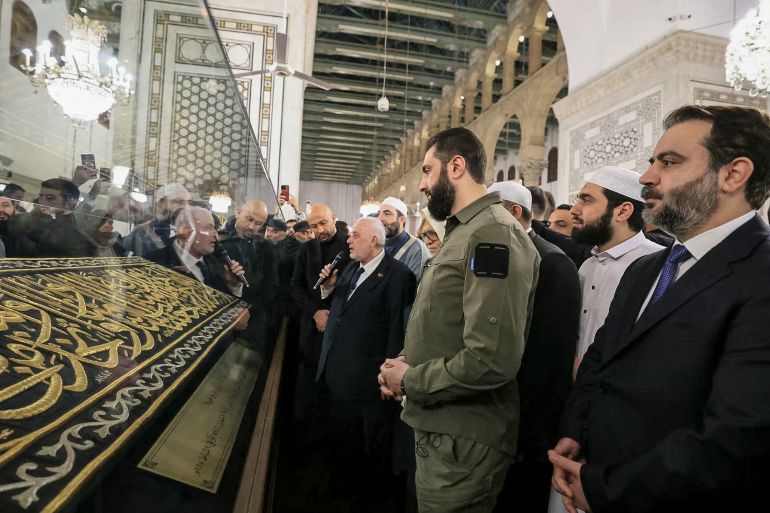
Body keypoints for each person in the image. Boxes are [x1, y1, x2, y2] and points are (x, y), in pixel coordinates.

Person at [549, 105, 770, 513]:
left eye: (668, 162)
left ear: (733, 174)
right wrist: (574, 430)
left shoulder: (760, 274)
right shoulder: (646, 268)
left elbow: (737, 436)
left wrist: (606, 487)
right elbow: (603, 357)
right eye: (652, 161)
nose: (648, 177)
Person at [378, 127, 539, 513]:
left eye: (427, 171)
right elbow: (444, 320)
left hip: (463, 439)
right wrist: (403, 362)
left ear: (456, 166)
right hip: (443, 427)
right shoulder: (466, 230)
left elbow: (491, 359)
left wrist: (412, 379)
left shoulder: (492, 234)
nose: (421, 185)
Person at [488, 181, 580, 513]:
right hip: (491, 417)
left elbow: (548, 360)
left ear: (514, 213)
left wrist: (529, 432)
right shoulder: (493, 253)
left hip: (525, 427)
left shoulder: (552, 263)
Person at [315, 217, 416, 498]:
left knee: (370, 462)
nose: (348, 240)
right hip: (338, 379)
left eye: (355, 235)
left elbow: (398, 330)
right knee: (341, 453)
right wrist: (328, 287)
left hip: (369, 387)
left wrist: (387, 375)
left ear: (373, 240)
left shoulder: (398, 276)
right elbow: (338, 314)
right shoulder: (349, 269)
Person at [570, 166, 663, 377]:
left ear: (623, 211)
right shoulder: (587, 266)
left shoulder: (659, 265)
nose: (574, 210)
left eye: (586, 200)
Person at [290, 203, 351, 427]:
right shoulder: (306, 250)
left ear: (334, 217)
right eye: (313, 226)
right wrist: (315, 312)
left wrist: (331, 313)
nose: (319, 231)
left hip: (342, 333)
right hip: (311, 332)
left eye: (323, 223)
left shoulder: (351, 247)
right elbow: (295, 288)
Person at [146, 206, 246, 298]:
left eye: (215, 228)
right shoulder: (153, 263)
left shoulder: (217, 262)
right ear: (187, 231)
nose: (216, 234)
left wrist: (232, 284)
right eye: (208, 227)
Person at [218, 200, 277, 351]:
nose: (252, 227)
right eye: (249, 219)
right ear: (238, 212)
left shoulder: (266, 247)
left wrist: (249, 310)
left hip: (255, 318)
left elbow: (270, 286)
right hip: (221, 317)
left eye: (258, 223)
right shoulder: (218, 241)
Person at [9, 178, 96, 257]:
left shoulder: (78, 227)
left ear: (69, 200)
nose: (42, 201)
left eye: (50, 198)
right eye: (41, 196)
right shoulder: (42, 219)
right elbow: (15, 227)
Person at [122, 183, 191, 256]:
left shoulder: (193, 232)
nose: (186, 207)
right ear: (160, 203)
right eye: (179, 201)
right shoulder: (141, 232)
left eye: (188, 203)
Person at [378, 196, 429, 280]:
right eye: (379, 213)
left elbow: (413, 287)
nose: (380, 218)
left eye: (387, 213)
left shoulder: (417, 249)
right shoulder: (377, 243)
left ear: (402, 219)